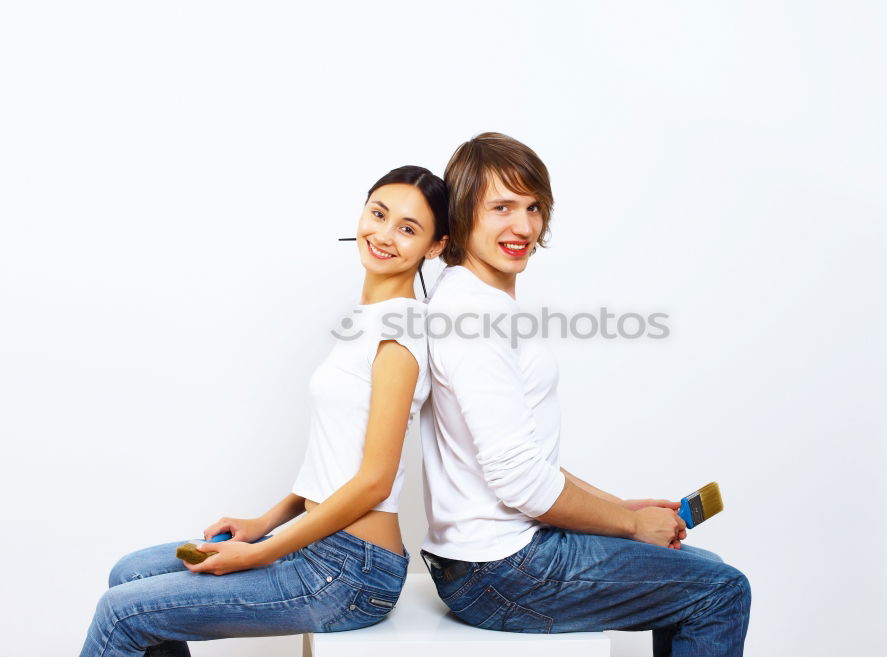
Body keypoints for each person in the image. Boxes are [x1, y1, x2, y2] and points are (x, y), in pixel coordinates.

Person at [80, 165, 450, 657]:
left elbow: (374, 481)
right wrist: (266, 520)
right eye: (378, 214)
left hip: (351, 571)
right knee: (129, 574)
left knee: (121, 613)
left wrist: (261, 551)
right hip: (317, 544)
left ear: (435, 246)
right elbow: (333, 457)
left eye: (408, 228)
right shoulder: (366, 321)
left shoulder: (400, 332)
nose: (383, 235)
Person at [418, 133, 751, 656]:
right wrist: (631, 524)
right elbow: (519, 480)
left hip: (487, 558)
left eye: (533, 207)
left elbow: (523, 457)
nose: (524, 227)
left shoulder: (470, 300)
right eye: (502, 207)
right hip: (503, 568)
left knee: (704, 572)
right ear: (462, 215)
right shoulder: (474, 316)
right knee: (720, 592)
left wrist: (617, 508)